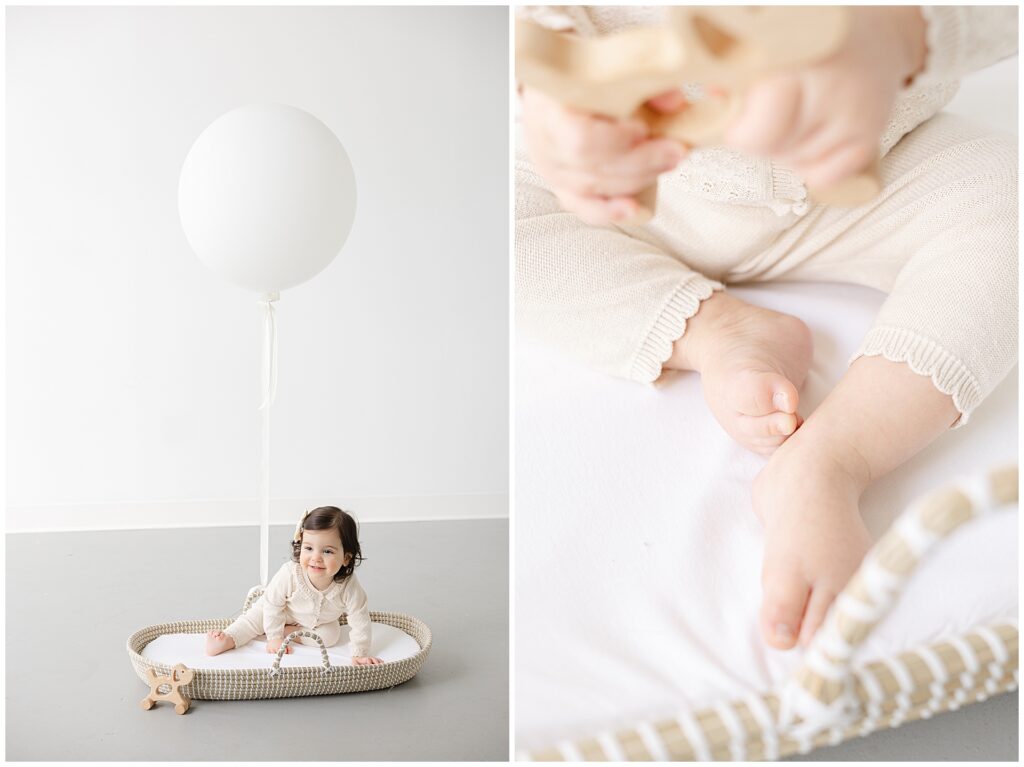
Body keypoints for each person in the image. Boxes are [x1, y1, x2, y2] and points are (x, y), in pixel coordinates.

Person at [516, 6, 1018, 650]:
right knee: (496, 229)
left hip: (866, 171)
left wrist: (906, 31)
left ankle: (832, 458)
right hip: (640, 185)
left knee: (1011, 196)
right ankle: (713, 327)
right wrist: (551, 92)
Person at [206, 506, 383, 665]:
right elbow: (272, 603)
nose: (316, 557)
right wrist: (274, 638)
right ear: (300, 545)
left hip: (315, 624)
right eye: (308, 548)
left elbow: (360, 619)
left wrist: (360, 653)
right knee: (253, 620)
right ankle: (227, 639)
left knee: (330, 636)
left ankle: (289, 632)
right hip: (279, 609)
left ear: (346, 558)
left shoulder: (348, 585)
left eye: (327, 551)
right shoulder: (290, 573)